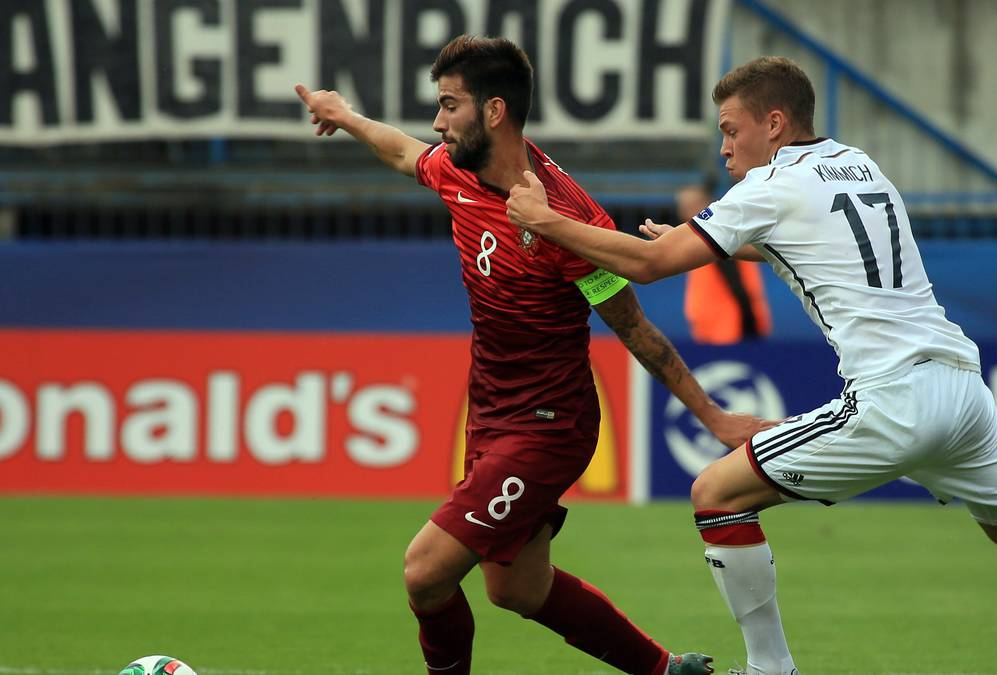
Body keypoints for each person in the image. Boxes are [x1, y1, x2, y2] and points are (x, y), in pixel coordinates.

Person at [506, 56, 997, 675]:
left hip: (893, 398)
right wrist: (713, 240)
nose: (724, 147)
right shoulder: (858, 164)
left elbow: (646, 265)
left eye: (731, 129)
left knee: (715, 494)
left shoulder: (767, 188)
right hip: (964, 389)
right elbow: (809, 242)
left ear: (774, 123)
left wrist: (547, 221)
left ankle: (770, 669)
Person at [296, 35, 767, 675]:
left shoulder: (566, 218)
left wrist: (713, 416)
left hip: (548, 425)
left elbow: (634, 327)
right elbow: (404, 152)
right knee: (516, 587)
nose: (437, 122)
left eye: (450, 105)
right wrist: (346, 116)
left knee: (425, 572)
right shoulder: (457, 171)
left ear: (494, 111)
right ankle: (666, 670)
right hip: (490, 415)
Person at [676, 184, 771, 344]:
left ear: (708, 205)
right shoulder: (701, 243)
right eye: (683, 207)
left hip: (731, 333)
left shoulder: (719, 241)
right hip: (710, 333)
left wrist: (751, 330)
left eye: (693, 205)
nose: (687, 212)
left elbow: (739, 287)